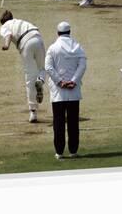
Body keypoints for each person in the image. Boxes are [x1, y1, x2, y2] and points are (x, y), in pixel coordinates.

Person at [44, 21, 87, 159]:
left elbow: (48, 67)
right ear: (69, 32)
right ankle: (73, 151)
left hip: (58, 92)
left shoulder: (53, 48)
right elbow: (82, 66)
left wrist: (60, 82)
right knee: (73, 122)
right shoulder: (78, 47)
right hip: (73, 92)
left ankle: (59, 152)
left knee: (58, 122)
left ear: (58, 33)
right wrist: (73, 81)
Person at [0, 10, 46, 123]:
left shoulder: (4, 26)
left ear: (3, 22)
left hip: (25, 43)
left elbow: (8, 35)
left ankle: (33, 112)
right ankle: (41, 80)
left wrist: (6, 45)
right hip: (37, 37)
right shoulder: (20, 21)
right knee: (43, 68)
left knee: (30, 78)